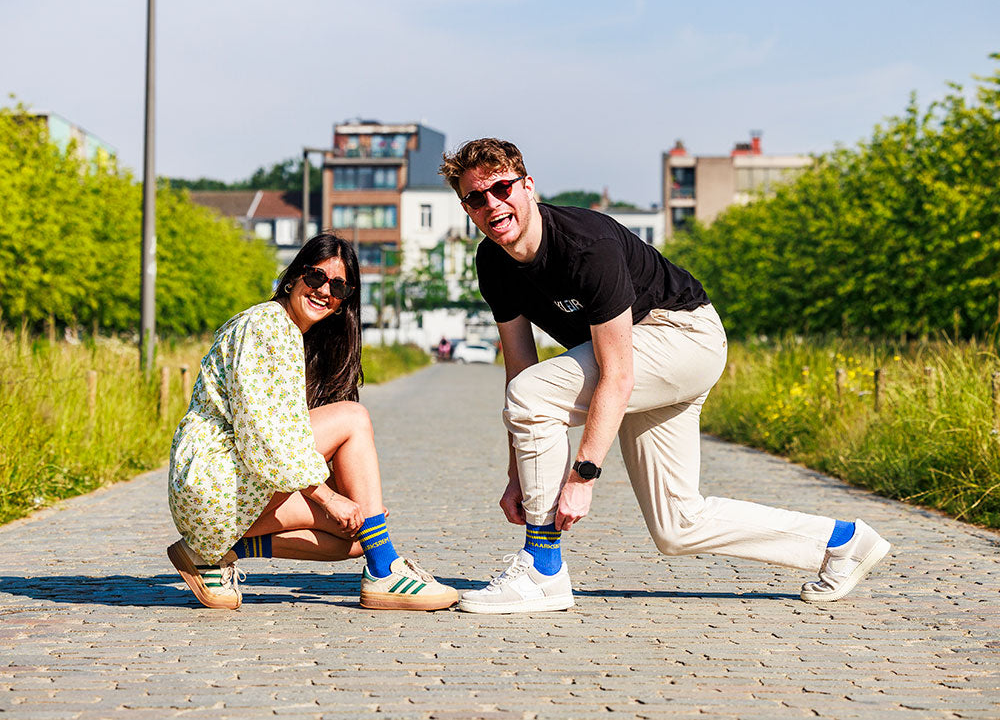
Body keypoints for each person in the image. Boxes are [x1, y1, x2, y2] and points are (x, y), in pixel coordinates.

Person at [439, 138, 891, 614]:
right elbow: (519, 369)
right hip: (640, 354)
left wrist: (584, 475)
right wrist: (518, 474)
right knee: (678, 526)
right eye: (475, 197)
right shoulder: (492, 263)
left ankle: (543, 570)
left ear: (527, 186)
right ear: (466, 208)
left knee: (535, 395)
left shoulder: (586, 245)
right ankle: (843, 543)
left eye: (502, 188)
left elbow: (616, 375)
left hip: (683, 335)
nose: (492, 204)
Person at [166, 233, 458, 611]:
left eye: (339, 286)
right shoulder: (269, 324)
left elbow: (285, 438)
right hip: (213, 481)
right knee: (353, 418)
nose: (325, 290)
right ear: (292, 278)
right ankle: (386, 573)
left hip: (221, 502)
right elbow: (265, 437)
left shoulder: (295, 338)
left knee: (355, 536)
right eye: (316, 277)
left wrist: (350, 503)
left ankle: (211, 554)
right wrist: (329, 497)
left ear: (343, 303)